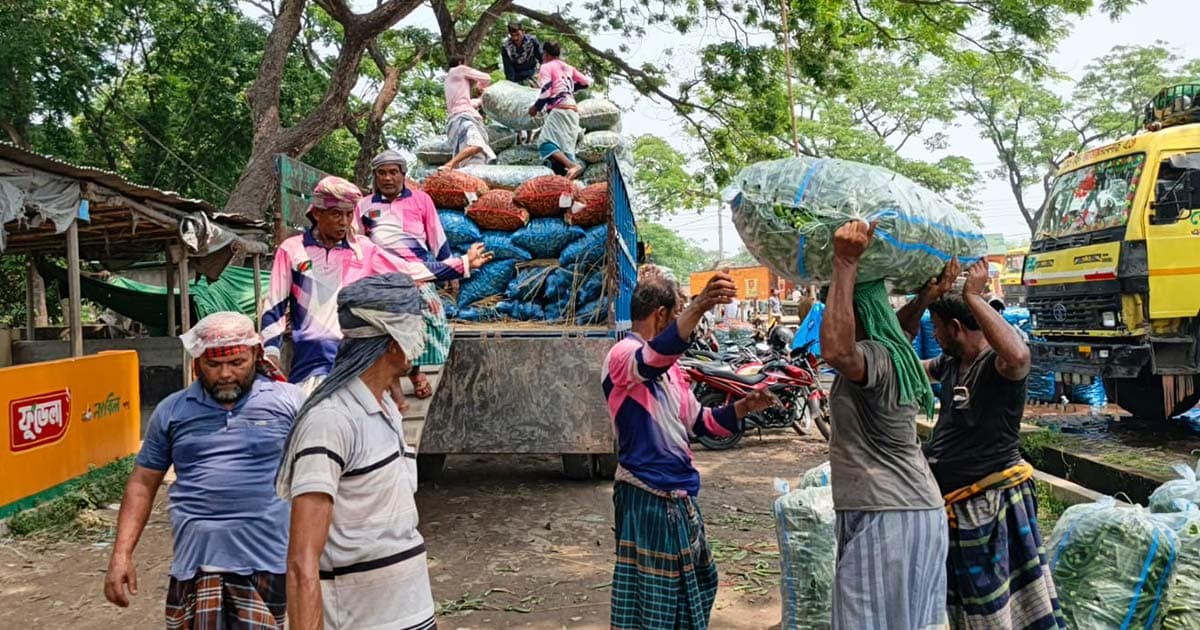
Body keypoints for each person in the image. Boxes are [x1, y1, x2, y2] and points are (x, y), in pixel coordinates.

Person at [104, 312, 304, 628]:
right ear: (198, 363)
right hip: (195, 564)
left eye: (237, 363)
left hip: (268, 562)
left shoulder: (289, 403)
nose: (225, 374)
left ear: (255, 355)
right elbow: (143, 482)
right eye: (213, 365)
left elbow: (320, 478)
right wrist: (121, 555)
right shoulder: (172, 411)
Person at [603, 266, 776, 629]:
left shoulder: (672, 372)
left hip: (679, 499)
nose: (685, 323)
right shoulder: (623, 355)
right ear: (661, 315)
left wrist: (744, 407)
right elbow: (652, 359)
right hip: (647, 496)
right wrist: (699, 305)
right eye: (679, 313)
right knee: (654, 608)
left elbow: (702, 423)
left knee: (696, 586)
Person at [901, 261, 1063, 629]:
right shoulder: (950, 364)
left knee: (996, 605)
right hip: (955, 505)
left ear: (955, 328)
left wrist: (973, 296)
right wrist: (921, 301)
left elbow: (1019, 356)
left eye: (936, 328)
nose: (934, 335)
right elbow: (906, 366)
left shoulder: (997, 366)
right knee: (967, 608)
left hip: (989, 505)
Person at [278, 273, 435, 630]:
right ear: (392, 342)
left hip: (411, 613)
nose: (421, 341)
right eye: (414, 329)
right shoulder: (330, 421)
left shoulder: (387, 408)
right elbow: (302, 562)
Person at [819, 220, 949, 630]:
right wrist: (925, 297)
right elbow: (901, 328)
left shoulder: (874, 356)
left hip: (888, 515)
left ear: (857, 315)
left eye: (839, 306)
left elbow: (837, 351)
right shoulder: (894, 352)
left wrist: (845, 263)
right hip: (912, 510)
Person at [262, 175, 472, 397]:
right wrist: (271, 351)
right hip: (312, 360)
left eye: (348, 214)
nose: (344, 222)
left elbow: (407, 269)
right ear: (317, 213)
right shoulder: (292, 250)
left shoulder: (363, 250)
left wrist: (461, 264)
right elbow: (275, 305)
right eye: (336, 214)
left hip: (357, 360)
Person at [356, 150, 492, 400]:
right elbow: (357, 244)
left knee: (429, 314)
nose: (387, 178)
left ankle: (416, 371)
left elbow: (436, 236)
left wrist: (451, 269)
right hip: (380, 274)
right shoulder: (364, 206)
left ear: (403, 174)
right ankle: (397, 382)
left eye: (393, 172)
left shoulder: (421, 200)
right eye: (382, 173)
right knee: (385, 325)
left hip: (418, 273)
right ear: (375, 176)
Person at [528, 40, 592, 179]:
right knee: (566, 149)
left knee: (544, 143)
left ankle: (572, 166)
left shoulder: (546, 66)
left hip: (560, 109)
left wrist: (535, 108)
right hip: (573, 110)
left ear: (545, 54)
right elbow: (587, 82)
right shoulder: (568, 67)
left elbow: (546, 91)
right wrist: (569, 89)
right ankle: (569, 182)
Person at [441, 56, 495, 171]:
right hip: (464, 118)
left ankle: (456, 169)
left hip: (455, 119)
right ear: (461, 62)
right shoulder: (460, 69)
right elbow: (486, 78)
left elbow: (469, 103)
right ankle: (450, 165)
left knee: (474, 159)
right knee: (477, 145)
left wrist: (481, 98)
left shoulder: (449, 80)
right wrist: (481, 86)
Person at [501, 21, 542, 86]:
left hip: (533, 74)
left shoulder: (532, 41)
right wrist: (510, 84)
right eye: (512, 35)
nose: (515, 38)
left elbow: (541, 58)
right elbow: (508, 69)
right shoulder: (506, 47)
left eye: (518, 35)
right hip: (517, 78)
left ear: (523, 32)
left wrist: (541, 74)